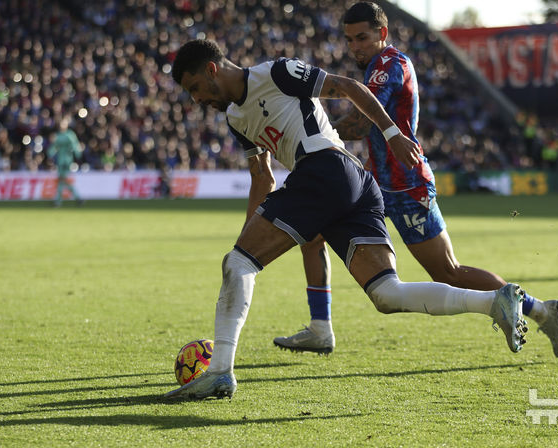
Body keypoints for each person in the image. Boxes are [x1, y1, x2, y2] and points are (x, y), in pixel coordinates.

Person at [164, 39, 528, 400]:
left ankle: (220, 373)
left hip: (325, 169)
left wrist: (392, 134)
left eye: (195, 88)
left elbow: (347, 87)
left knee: (238, 264)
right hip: (352, 184)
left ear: (212, 70)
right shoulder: (235, 118)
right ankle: (494, 302)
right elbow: (262, 177)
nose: (197, 99)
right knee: (387, 294)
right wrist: (247, 237)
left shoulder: (275, 72)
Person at [272, 2, 558, 358]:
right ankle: (320, 329)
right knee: (312, 234)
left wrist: (311, 135)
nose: (355, 47)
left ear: (382, 33)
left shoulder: (389, 65)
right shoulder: (378, 68)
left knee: (449, 273)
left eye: (362, 38)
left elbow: (361, 123)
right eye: (349, 40)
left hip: (406, 186)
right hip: (376, 185)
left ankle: (538, 310)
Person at [47, 120, 83, 206]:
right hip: (60, 160)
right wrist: (50, 153)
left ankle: (60, 201)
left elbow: (75, 145)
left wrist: (78, 154)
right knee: (62, 181)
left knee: (62, 180)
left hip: (67, 160)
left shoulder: (69, 135)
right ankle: (77, 198)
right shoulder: (58, 136)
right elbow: (54, 147)